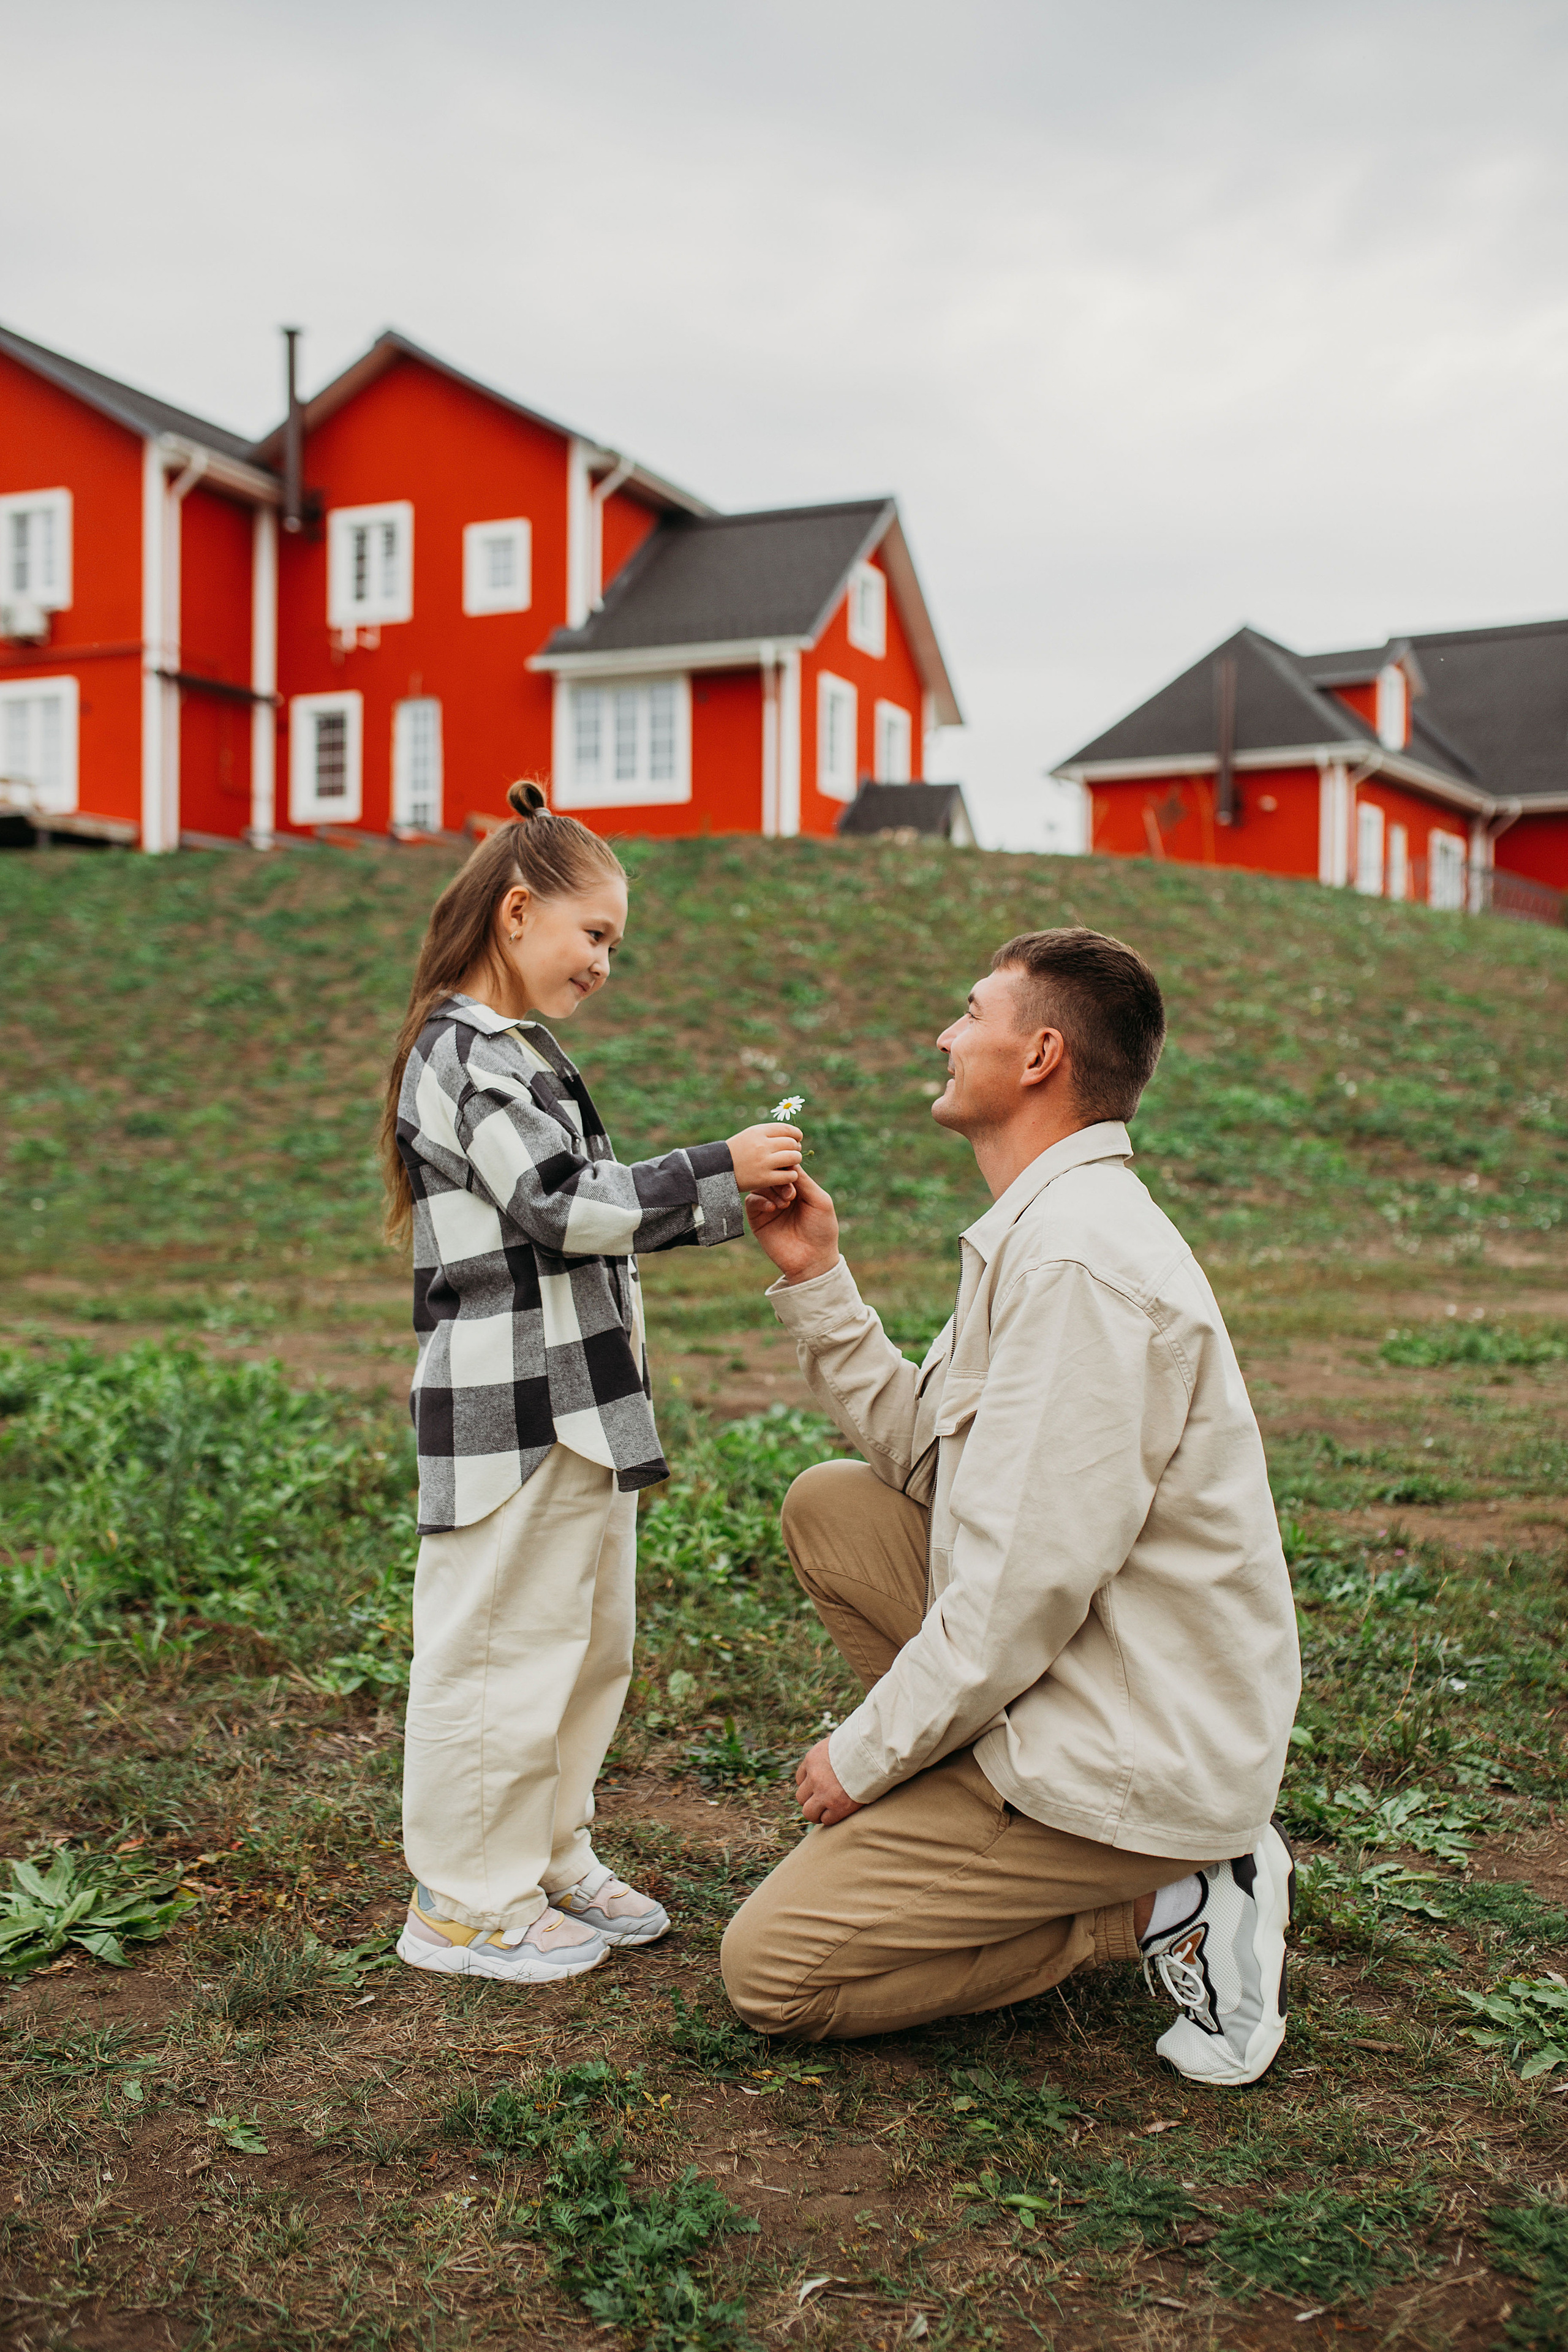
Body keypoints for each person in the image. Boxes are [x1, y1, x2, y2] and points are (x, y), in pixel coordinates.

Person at [721, 927, 1302, 2086]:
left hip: (1136, 1737)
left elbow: (1019, 1592)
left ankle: (1158, 1895)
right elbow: (928, 1466)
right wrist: (815, 1279)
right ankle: (1005, 1813)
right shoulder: (1039, 1231)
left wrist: (868, 1756)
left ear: (1039, 1054)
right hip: (1080, 1663)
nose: (946, 1033)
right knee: (836, 1508)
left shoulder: (1079, 1265)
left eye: (969, 1011)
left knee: (774, 1973)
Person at [380, 782, 802, 1986]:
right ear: (517, 913)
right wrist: (715, 1165)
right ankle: (462, 1901)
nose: (605, 962)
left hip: (576, 1406)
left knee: (580, 1647)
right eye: (595, 934)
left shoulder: (523, 1052)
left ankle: (545, 1853)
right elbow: (559, 1209)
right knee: (499, 1649)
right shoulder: (460, 1054)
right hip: (510, 1411)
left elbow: (587, 1221)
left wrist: (721, 1195)